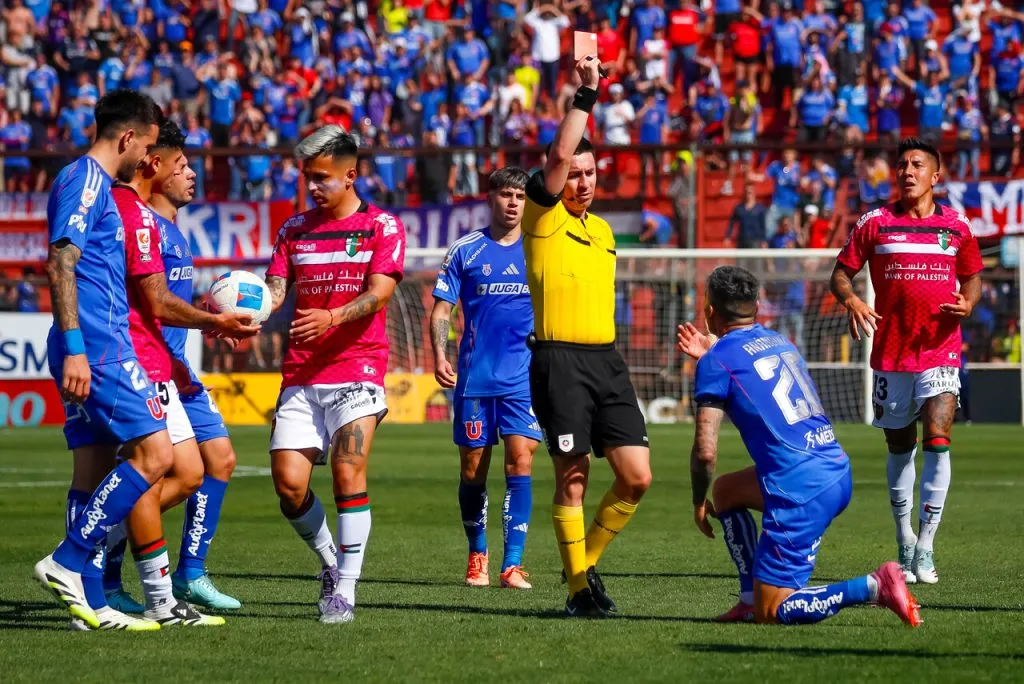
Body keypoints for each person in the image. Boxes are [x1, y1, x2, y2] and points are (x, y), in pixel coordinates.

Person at [675, 265, 922, 627]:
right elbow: (745, 361)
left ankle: (874, 585)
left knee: (774, 612)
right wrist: (713, 352)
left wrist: (697, 500)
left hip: (799, 489)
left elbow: (705, 451)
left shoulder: (717, 361)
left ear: (709, 312)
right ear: (757, 306)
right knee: (726, 491)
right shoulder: (779, 341)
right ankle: (747, 600)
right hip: (834, 469)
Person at [113, 120, 258, 626]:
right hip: (151, 370)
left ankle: (189, 572)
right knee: (177, 471)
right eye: (183, 167)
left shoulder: (172, 229)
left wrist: (208, 321)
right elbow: (148, 303)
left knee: (220, 459)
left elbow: (164, 305)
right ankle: (106, 541)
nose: (192, 175)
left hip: (177, 366)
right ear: (156, 168)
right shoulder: (141, 223)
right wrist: (209, 319)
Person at [33, 89, 167, 632]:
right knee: (154, 455)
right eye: (148, 147)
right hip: (98, 345)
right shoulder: (86, 180)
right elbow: (60, 262)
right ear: (128, 137)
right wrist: (78, 350)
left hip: (94, 343)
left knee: (91, 469)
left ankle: (91, 607)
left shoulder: (94, 185)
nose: (148, 160)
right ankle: (67, 561)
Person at [522, 56, 652, 618]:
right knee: (572, 479)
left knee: (637, 477)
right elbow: (556, 154)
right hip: (559, 362)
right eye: (575, 174)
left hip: (607, 362)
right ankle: (579, 592)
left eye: (590, 174)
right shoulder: (541, 218)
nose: (583, 182)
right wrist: (587, 94)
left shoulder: (602, 230)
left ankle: (582, 565)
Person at [265, 126, 406, 624]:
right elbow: (275, 292)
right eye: (308, 178)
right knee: (288, 484)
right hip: (302, 373)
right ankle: (330, 561)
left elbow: (380, 293)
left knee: (348, 470)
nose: (313, 187)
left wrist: (331, 316)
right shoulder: (293, 230)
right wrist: (239, 318)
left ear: (351, 175)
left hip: (358, 367)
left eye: (322, 178)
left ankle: (345, 590)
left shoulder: (381, 227)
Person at [829, 137, 983, 585]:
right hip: (892, 352)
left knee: (938, 437)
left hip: (940, 348)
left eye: (917, 165)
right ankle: (905, 539)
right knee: (900, 446)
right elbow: (841, 273)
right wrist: (853, 300)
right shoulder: (876, 222)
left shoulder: (957, 226)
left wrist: (968, 304)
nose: (907, 171)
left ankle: (928, 547)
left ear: (935, 176)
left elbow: (972, 277)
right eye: (901, 165)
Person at [430, 167, 540, 590]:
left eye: (521, 196)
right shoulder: (465, 250)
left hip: (523, 379)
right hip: (475, 378)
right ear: (490, 198)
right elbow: (442, 311)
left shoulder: (538, 249)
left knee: (521, 461)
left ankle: (512, 564)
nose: (513, 203)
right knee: (473, 469)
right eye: (506, 195)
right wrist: (440, 354)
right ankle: (478, 552)